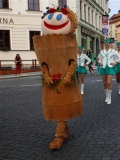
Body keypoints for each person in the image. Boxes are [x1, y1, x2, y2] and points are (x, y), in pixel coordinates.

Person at [33, 6, 82, 150]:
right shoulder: (44, 43)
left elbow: (72, 61)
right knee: (58, 107)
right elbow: (44, 62)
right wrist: (46, 75)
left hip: (65, 80)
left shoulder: (69, 42)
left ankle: (59, 135)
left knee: (62, 107)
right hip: (51, 82)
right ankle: (64, 131)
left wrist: (68, 75)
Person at [98, 38, 120, 104]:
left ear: (109, 44)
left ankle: (110, 97)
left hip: (110, 67)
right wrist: (100, 62)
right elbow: (99, 59)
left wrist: (114, 63)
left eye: (107, 43)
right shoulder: (102, 52)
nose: (106, 44)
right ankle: (107, 96)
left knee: (109, 83)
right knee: (104, 83)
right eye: (105, 43)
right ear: (104, 44)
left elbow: (118, 58)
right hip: (104, 67)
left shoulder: (113, 51)